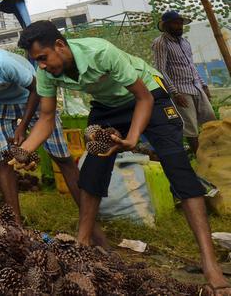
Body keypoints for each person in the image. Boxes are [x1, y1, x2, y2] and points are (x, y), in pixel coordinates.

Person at [14, 20, 229, 293]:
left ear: (59, 45)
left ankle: (210, 264)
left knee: (178, 169)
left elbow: (144, 99)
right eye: (37, 61)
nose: (41, 66)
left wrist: (132, 138)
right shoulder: (46, 72)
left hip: (149, 94)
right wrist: (24, 151)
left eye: (43, 58)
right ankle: (83, 245)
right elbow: (46, 118)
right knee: (92, 170)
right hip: (108, 106)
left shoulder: (100, 52)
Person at [0, 48, 102, 240]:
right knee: (3, 160)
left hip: (32, 95)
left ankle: (90, 223)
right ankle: (16, 227)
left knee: (62, 158)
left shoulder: (1, 64)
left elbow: (36, 88)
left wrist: (23, 126)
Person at [152, 9, 215, 154]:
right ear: (166, 25)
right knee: (190, 125)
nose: (179, 26)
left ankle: (213, 152)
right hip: (180, 90)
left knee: (210, 119)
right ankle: (199, 157)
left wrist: (203, 85)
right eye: (175, 23)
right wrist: (174, 93)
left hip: (196, 86)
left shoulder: (185, 42)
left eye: (180, 23)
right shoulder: (161, 43)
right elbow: (160, 70)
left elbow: (191, 66)